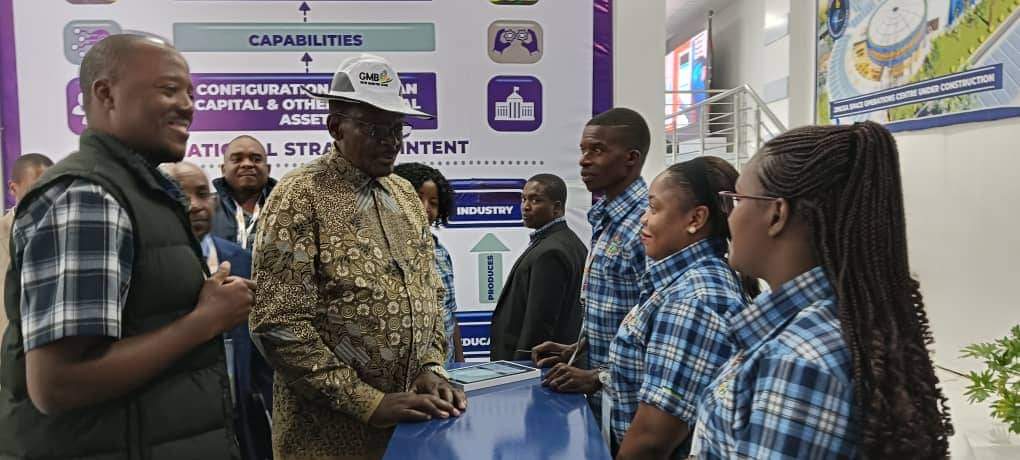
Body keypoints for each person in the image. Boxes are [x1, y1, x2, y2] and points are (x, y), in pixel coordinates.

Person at [0, 34, 255, 458]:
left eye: (191, 93)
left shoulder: (139, 191)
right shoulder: (87, 198)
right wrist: (205, 321)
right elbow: (58, 383)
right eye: (169, 89)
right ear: (106, 93)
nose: (188, 105)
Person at [692, 122, 953, 458]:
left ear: (776, 214)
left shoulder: (796, 364)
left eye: (738, 200)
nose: (729, 216)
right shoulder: (831, 323)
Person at [251, 54, 466, 460]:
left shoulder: (405, 194)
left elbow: (431, 294)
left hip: (411, 429)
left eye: (397, 129)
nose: (392, 142)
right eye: (375, 129)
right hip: (326, 438)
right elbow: (277, 325)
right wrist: (367, 401)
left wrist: (431, 367)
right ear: (336, 127)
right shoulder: (300, 196)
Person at [609, 157, 755, 459]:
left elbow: (651, 440)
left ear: (695, 219)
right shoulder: (679, 283)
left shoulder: (692, 301)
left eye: (654, 207)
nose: (643, 219)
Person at [533, 107, 650, 433]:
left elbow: (659, 336)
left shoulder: (646, 225)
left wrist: (598, 376)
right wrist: (578, 349)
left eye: (597, 150)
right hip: (604, 404)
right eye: (583, 150)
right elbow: (618, 310)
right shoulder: (607, 219)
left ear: (631, 157)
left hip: (634, 413)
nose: (584, 160)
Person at [162, 161, 274, 460]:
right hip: (175, 427)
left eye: (202, 193)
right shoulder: (149, 269)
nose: (195, 206)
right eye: (180, 195)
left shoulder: (242, 260)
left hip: (240, 418)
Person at [489, 174, 587, 361]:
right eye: (524, 199)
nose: (525, 206)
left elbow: (539, 324)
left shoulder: (551, 252)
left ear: (557, 208)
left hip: (537, 368)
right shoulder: (567, 241)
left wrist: (523, 370)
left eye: (536, 200)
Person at [393, 162, 464, 364]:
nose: (425, 208)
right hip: (409, 372)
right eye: (417, 198)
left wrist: (460, 362)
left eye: (433, 202)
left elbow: (450, 313)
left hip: (447, 366)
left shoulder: (441, 252)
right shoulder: (382, 252)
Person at [0, 154, 53, 349]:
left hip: (52, 351)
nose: (44, 197)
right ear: (13, 188)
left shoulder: (64, 231)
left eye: (50, 189)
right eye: (35, 190)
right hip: (9, 355)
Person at [211, 134, 276, 250]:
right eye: (237, 159)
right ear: (223, 170)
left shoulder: (290, 208)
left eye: (256, 159)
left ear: (268, 169)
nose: (247, 164)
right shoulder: (208, 209)